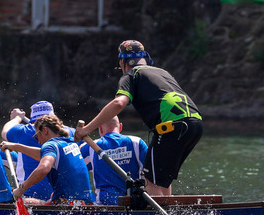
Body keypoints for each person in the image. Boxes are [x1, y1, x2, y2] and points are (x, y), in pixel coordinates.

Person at [76, 40, 202, 197]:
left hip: (172, 127)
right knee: (162, 178)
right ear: (145, 58)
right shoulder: (162, 72)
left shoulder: (131, 75)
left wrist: (87, 129)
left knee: (151, 182)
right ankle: (169, 213)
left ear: (122, 62)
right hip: (195, 124)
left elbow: (118, 103)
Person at [1, 114, 94, 205]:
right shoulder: (70, 142)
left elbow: (44, 168)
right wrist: (16, 147)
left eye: (36, 136)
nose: (38, 141)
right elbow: (42, 154)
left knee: (19, 201)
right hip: (86, 203)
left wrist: (21, 189)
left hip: (68, 205)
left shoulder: (50, 145)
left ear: (45, 130)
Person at [1, 100, 72, 201]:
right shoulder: (69, 133)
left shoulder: (24, 131)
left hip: (30, 196)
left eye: (37, 136)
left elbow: (5, 132)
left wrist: (17, 118)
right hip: (63, 198)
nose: (38, 141)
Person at [78, 116, 149, 206]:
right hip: (134, 202)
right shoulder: (137, 142)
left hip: (104, 204)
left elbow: (75, 167)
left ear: (100, 129)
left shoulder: (91, 146)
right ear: (120, 127)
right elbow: (151, 174)